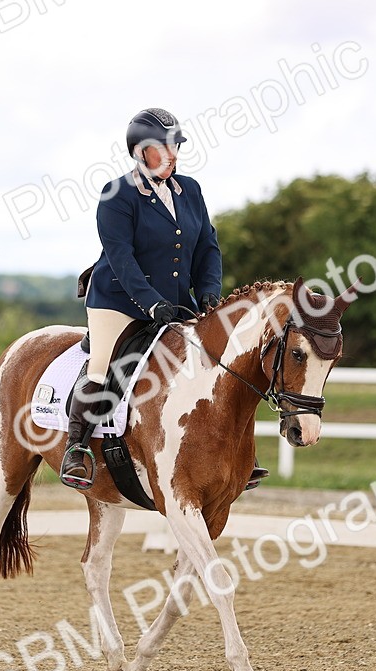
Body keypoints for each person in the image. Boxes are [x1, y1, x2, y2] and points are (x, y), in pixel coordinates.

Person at [61, 107, 268, 491]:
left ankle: (238, 454)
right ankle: (77, 448)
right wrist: (151, 303)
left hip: (176, 301)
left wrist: (208, 293)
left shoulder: (190, 190)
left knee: (217, 361)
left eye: (176, 146)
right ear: (139, 152)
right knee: (103, 366)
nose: (172, 155)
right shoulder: (116, 195)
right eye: (163, 148)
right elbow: (121, 258)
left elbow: (207, 247)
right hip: (118, 302)